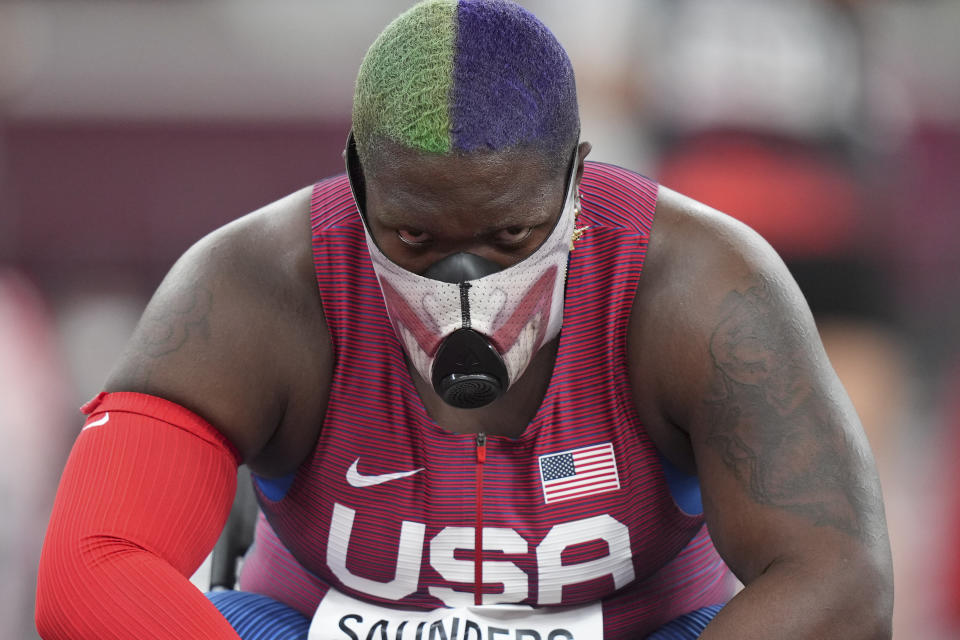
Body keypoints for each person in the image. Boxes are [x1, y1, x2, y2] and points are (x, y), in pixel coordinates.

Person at [35, 1, 893, 638]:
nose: (464, 280)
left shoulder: (700, 285)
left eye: (510, 234)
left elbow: (841, 580)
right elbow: (90, 566)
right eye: (414, 235)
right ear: (356, 179)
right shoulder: (253, 283)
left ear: (575, 178)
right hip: (317, 623)